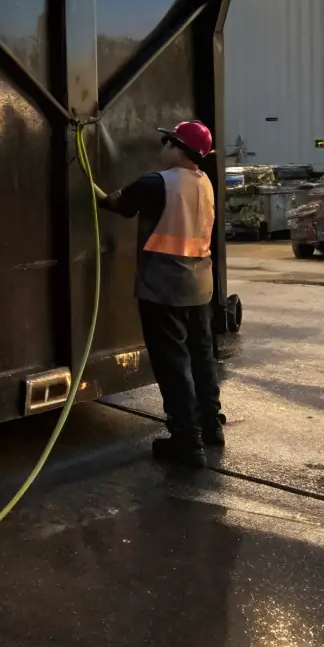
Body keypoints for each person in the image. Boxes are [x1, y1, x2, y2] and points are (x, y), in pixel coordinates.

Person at [96, 120, 224, 467]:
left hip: (164, 288)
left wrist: (90, 187)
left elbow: (117, 204)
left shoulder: (157, 183)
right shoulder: (205, 182)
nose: (162, 147)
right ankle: (210, 425)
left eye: (166, 141)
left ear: (177, 147)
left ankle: (187, 441)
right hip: (200, 285)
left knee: (173, 364)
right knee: (201, 357)